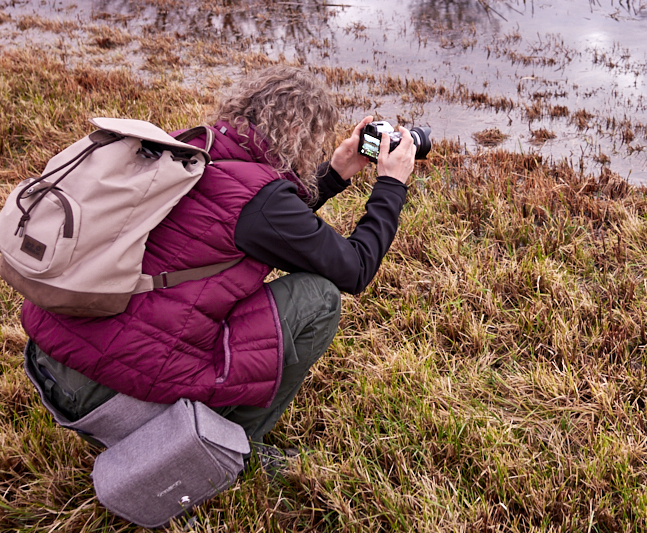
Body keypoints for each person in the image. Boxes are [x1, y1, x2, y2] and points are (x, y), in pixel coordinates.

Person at [21, 66, 417, 442]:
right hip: (103, 393)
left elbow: (262, 223)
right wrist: (391, 185)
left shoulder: (191, 146)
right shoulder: (262, 202)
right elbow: (355, 269)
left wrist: (333, 173)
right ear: (298, 130)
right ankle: (224, 446)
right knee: (320, 298)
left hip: (49, 358)